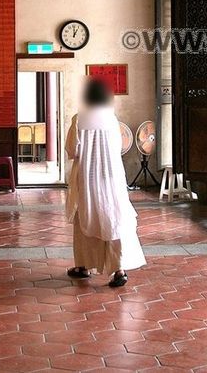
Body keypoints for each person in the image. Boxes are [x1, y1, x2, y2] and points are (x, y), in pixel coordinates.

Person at [65, 78, 146, 287]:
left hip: (87, 177)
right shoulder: (112, 119)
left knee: (85, 220)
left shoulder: (79, 119)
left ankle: (83, 266)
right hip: (111, 177)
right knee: (113, 218)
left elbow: (72, 150)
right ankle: (118, 270)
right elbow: (118, 148)